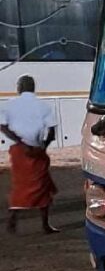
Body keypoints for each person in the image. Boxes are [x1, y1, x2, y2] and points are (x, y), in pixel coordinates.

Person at [2, 75, 59, 234]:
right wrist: (42, 148)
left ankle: (12, 220)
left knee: (19, 185)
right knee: (42, 187)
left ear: (18, 88)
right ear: (33, 88)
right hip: (37, 150)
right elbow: (52, 132)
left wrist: (21, 142)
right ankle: (45, 225)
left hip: (18, 151)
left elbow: (3, 127)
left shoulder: (9, 105)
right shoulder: (44, 106)